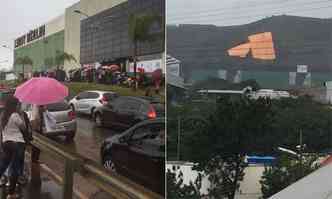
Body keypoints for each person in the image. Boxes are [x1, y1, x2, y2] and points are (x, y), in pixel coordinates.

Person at [0, 96, 28, 199]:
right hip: (16, 144)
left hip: (6, 143)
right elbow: (23, 128)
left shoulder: (3, 115)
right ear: (14, 105)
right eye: (18, 104)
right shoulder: (15, 115)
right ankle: (11, 194)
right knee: (14, 169)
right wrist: (21, 115)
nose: (19, 106)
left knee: (3, 165)